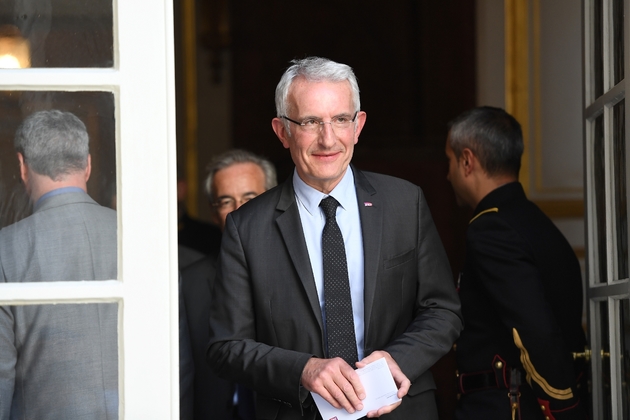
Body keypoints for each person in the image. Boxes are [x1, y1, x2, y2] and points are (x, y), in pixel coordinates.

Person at [207, 56, 462, 420]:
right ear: (282, 131)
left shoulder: (406, 203)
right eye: (310, 122)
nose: (328, 139)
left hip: (400, 411)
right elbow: (225, 348)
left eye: (340, 119)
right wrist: (304, 370)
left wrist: (397, 359)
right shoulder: (246, 228)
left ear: (358, 126)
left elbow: (443, 310)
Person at [445, 106, 587, 419]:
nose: (448, 174)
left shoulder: (490, 228)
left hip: (508, 407)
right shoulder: (536, 222)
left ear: (467, 161)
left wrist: (563, 407)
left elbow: (534, 330)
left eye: (450, 161)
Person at [0, 110, 118, 419]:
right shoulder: (140, 239)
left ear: (23, 167)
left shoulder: (5, 248)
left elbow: (0, 373)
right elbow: (177, 357)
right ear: (88, 165)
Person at [181, 149, 277, 419]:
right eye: (226, 201)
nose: (239, 211)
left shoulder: (305, 270)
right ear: (214, 213)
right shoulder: (188, 284)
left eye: (250, 198)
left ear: (273, 201)